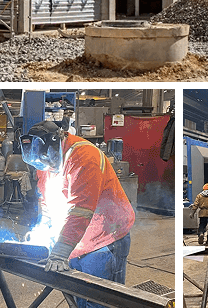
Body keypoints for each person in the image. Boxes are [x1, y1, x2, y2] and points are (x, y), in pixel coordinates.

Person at [21, 121, 135, 308]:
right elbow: (47, 202)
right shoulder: (44, 161)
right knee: (80, 299)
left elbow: (80, 210)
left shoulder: (84, 156)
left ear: (56, 142)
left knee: (99, 303)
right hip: (75, 240)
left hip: (104, 239)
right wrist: (44, 232)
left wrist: (58, 253)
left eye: (46, 160)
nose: (45, 167)